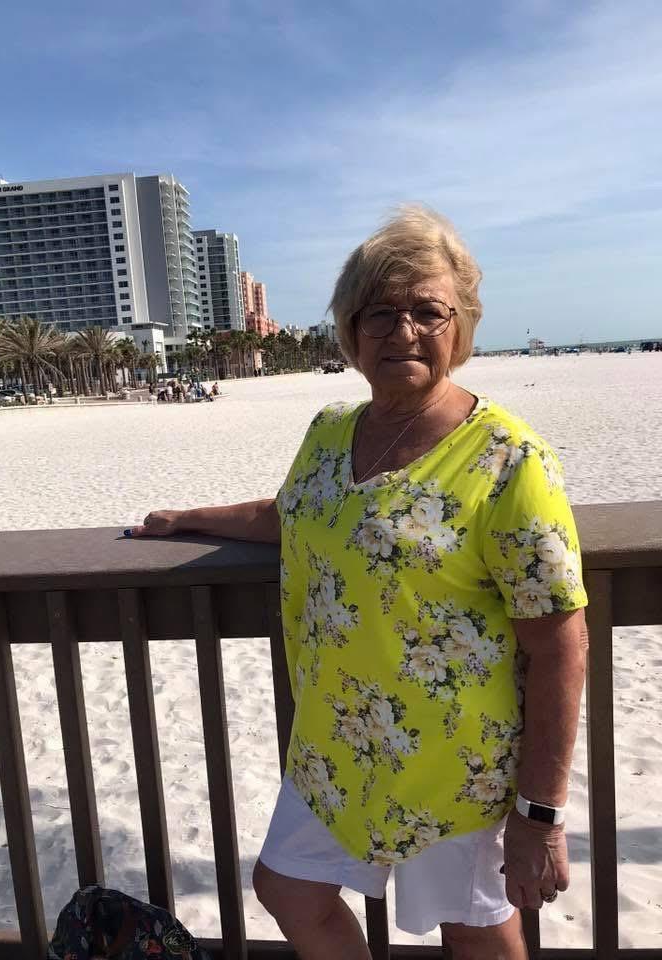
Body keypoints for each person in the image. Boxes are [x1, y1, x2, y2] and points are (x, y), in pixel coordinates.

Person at [125, 207, 588, 959]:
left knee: (473, 931)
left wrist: (539, 814)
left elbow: (560, 640)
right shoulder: (331, 429)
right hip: (334, 745)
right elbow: (294, 514)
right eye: (379, 312)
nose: (401, 330)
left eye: (427, 311)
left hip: (456, 762)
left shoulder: (510, 459)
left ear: (461, 325)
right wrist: (188, 519)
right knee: (288, 888)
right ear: (350, 329)